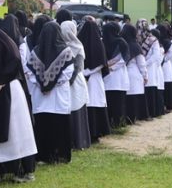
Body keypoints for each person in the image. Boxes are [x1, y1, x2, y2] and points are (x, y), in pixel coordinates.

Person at [0, 15, 37, 181]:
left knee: (11, 129)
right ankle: (17, 168)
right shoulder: (16, 44)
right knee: (17, 130)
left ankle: (7, 168)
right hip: (13, 86)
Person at [27, 21, 76, 164]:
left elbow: (30, 74)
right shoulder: (65, 51)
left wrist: (43, 84)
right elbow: (68, 73)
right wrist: (52, 85)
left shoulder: (36, 51)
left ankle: (43, 156)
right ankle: (60, 155)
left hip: (41, 96)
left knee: (43, 126)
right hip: (58, 95)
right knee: (59, 126)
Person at [78, 18, 110, 141]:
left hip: (90, 77)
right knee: (92, 103)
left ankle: (95, 133)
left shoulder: (81, 42)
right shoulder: (98, 43)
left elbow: (101, 63)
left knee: (92, 103)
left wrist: (86, 72)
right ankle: (94, 132)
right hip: (92, 78)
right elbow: (102, 63)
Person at [61, 20, 91, 148]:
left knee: (77, 109)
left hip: (74, 81)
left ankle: (79, 141)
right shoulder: (61, 46)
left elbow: (78, 67)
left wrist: (68, 81)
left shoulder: (78, 46)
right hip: (67, 80)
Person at [101, 21, 130, 127]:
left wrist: (108, 66)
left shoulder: (102, 42)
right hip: (117, 75)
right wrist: (112, 67)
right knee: (117, 100)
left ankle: (113, 123)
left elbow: (123, 59)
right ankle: (117, 123)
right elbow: (125, 59)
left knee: (111, 99)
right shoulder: (121, 41)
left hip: (108, 74)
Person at [119, 24, 148, 123]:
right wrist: (145, 75)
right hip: (133, 72)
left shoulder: (121, 44)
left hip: (122, 72)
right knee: (134, 98)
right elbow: (141, 63)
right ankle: (133, 118)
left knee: (126, 98)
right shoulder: (135, 46)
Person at [143, 23, 165, 119]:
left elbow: (157, 58)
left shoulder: (158, 46)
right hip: (149, 69)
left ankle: (153, 112)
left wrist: (145, 63)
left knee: (152, 90)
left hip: (152, 69)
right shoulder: (143, 42)